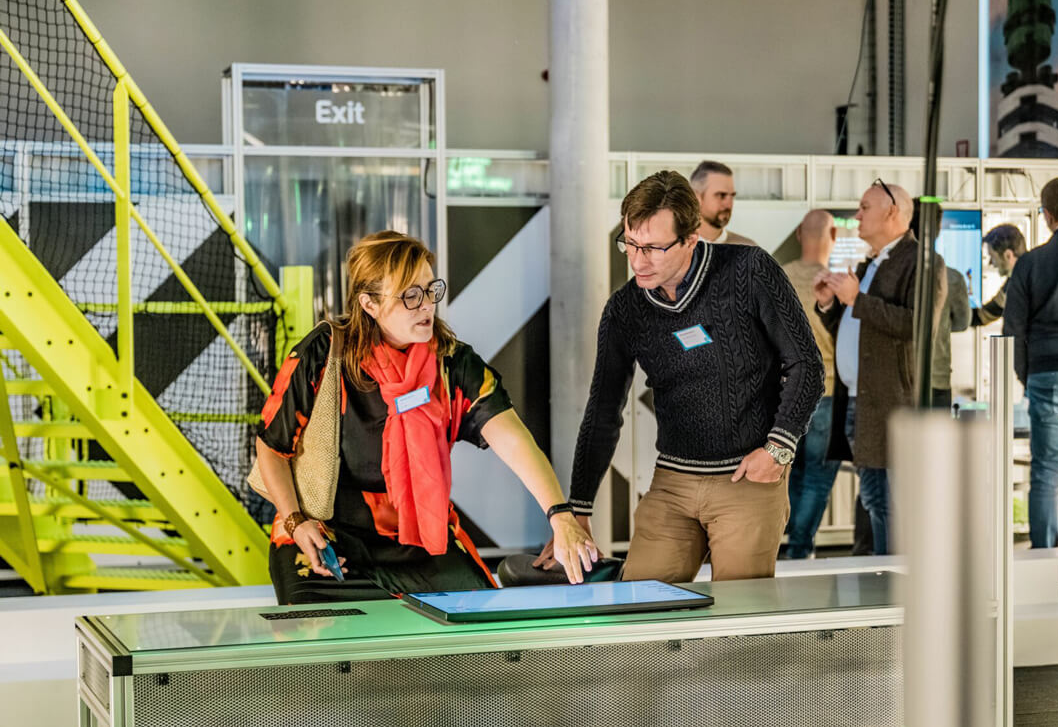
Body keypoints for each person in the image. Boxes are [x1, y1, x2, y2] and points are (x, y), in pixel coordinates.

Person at [254, 232, 597, 604]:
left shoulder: (452, 363)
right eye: (410, 296)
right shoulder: (324, 355)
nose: (426, 306)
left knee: (481, 632)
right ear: (368, 303)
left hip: (422, 538)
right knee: (325, 643)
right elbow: (271, 448)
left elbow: (512, 438)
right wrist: (295, 521)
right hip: (328, 535)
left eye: (430, 290)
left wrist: (559, 514)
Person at [553, 170, 822, 583]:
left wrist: (778, 449)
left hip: (747, 480)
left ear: (691, 241)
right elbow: (604, 409)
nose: (638, 261)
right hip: (672, 482)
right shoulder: (625, 310)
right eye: (631, 244)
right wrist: (580, 508)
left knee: (738, 620)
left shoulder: (749, 271)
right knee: (640, 608)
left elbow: (806, 364)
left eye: (654, 248)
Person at [815, 180, 946, 555]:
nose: (856, 216)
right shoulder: (869, 263)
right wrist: (830, 305)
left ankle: (898, 586)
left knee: (892, 503)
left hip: (891, 402)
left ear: (892, 212)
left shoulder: (922, 262)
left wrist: (857, 298)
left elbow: (916, 327)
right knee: (874, 499)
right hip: (862, 401)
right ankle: (886, 583)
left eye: (864, 207)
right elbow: (855, 327)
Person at [1004, 177, 1058, 548]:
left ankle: (1046, 554)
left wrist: (1027, 377)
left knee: (1046, 473)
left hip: (1046, 374)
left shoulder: (1030, 263)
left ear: (1046, 215)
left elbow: (1013, 328)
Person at [781, 209, 843, 559]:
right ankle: (800, 548)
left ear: (801, 235)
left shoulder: (782, 278)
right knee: (818, 478)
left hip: (786, 394)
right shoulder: (837, 284)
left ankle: (778, 539)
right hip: (830, 392)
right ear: (832, 236)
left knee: (784, 472)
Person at [909, 202, 971, 410]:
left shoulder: (892, 272)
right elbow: (962, 323)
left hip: (903, 380)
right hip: (938, 377)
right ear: (937, 231)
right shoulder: (952, 277)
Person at [690, 160, 758, 246]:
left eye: (732, 196)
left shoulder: (749, 249)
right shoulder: (675, 249)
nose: (729, 204)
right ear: (696, 197)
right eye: (721, 195)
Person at [972, 224, 1028, 327]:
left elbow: (982, 316)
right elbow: (986, 314)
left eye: (992, 257)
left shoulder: (1017, 284)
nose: (991, 263)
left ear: (1008, 255)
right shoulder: (1017, 280)